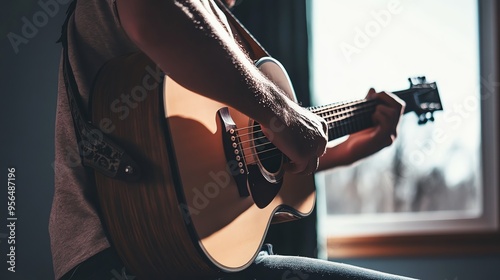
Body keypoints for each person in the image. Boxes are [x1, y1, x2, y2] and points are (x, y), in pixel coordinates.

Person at [50, 0, 413, 279]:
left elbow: (238, 165)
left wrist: (348, 151)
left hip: (196, 259)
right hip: (127, 254)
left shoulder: (218, 27)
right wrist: (283, 115)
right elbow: (151, 13)